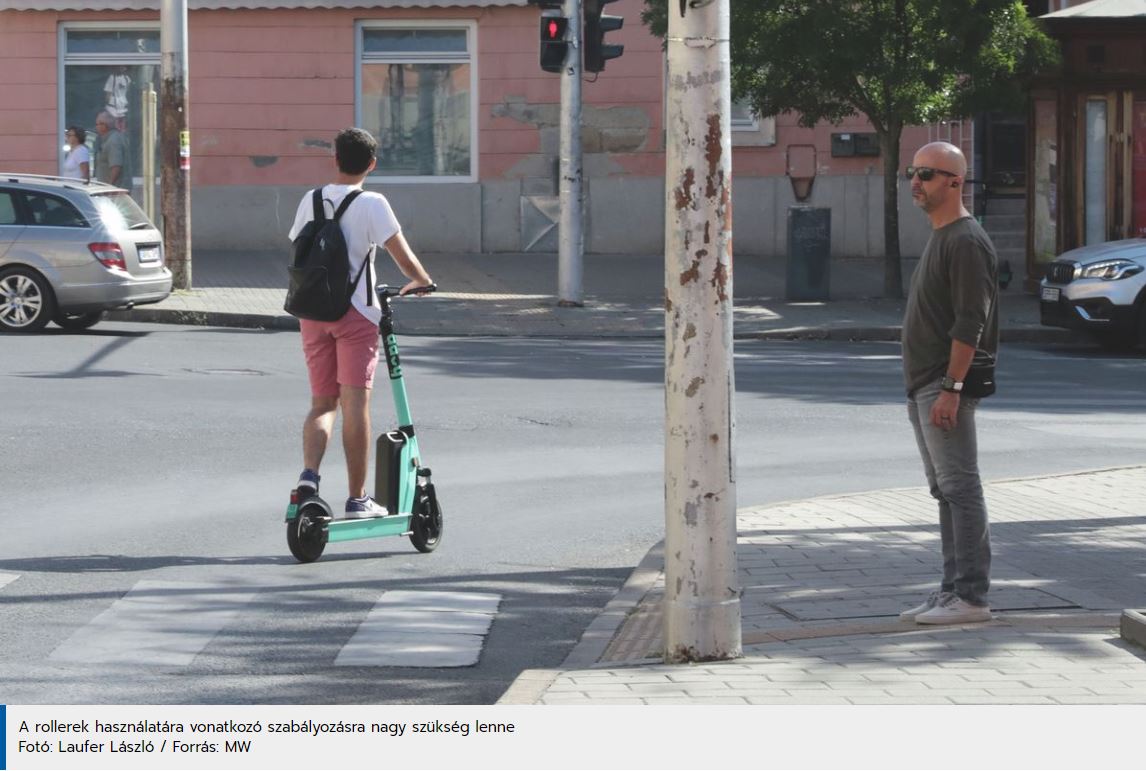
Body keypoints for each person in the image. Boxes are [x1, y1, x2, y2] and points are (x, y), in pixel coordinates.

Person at [288, 127, 433, 518]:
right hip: (356, 315)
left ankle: (308, 478)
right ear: (372, 164)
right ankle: (357, 499)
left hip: (313, 313)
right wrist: (420, 280)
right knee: (355, 407)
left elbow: (298, 247)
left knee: (322, 404)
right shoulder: (373, 203)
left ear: (335, 159)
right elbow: (402, 257)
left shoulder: (311, 199)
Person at [899, 141, 999, 626]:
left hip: (943, 385)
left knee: (961, 488)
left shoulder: (965, 240)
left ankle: (971, 598)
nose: (915, 183)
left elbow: (969, 323)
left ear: (955, 181)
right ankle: (950, 591)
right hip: (926, 383)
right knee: (945, 490)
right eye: (912, 173)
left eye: (927, 174)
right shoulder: (943, 235)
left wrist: (951, 388)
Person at [92, 112, 126, 187]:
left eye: (99, 124)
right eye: (97, 124)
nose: (97, 127)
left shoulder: (113, 140)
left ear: (105, 125)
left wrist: (109, 187)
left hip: (114, 191)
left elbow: (116, 167)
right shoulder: (107, 139)